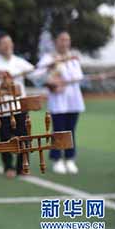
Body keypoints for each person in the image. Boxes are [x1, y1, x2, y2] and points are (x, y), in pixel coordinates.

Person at [0, 32, 35, 178]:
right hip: (2, 108)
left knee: (24, 135)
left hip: (20, 105)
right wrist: (2, 81)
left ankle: (23, 167)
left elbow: (36, 73)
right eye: (4, 43)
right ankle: (8, 167)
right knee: (5, 138)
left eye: (9, 42)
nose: (7, 46)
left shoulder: (19, 62)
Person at [35, 31, 84, 174]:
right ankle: (57, 159)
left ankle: (69, 158)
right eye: (62, 40)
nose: (65, 43)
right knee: (58, 131)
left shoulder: (73, 58)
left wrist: (65, 78)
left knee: (71, 130)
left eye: (67, 40)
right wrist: (49, 73)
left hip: (73, 100)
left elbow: (78, 76)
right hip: (58, 101)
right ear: (56, 42)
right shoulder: (49, 58)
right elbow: (37, 75)